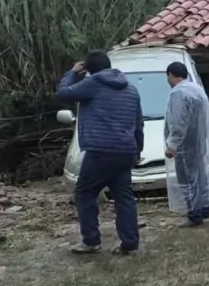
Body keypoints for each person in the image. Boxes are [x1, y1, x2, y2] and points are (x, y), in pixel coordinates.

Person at [56, 50, 143, 255]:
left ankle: (91, 240)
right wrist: (138, 149)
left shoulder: (92, 84)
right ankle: (129, 241)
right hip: (125, 150)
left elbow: (63, 94)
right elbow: (138, 124)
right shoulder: (131, 89)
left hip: (100, 150)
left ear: (88, 69)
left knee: (85, 192)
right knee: (124, 196)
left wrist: (72, 72)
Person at [164, 61, 209, 227]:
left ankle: (194, 214)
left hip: (185, 145)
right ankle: (206, 208)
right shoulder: (197, 90)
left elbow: (178, 122)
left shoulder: (178, 93)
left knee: (187, 179)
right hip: (200, 141)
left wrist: (172, 144)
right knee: (200, 176)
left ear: (171, 75)